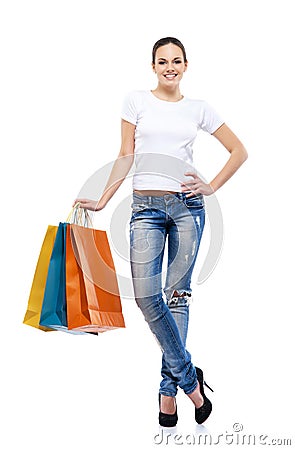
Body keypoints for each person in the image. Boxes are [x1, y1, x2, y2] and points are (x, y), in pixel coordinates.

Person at [74, 37, 248, 427]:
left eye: (176, 61)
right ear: (153, 66)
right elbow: (126, 155)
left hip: (188, 208)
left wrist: (212, 186)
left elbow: (239, 150)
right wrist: (103, 199)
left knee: (178, 298)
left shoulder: (199, 109)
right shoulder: (136, 101)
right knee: (146, 297)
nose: (170, 66)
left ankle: (166, 394)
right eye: (162, 61)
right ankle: (190, 381)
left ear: (186, 65)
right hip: (145, 210)